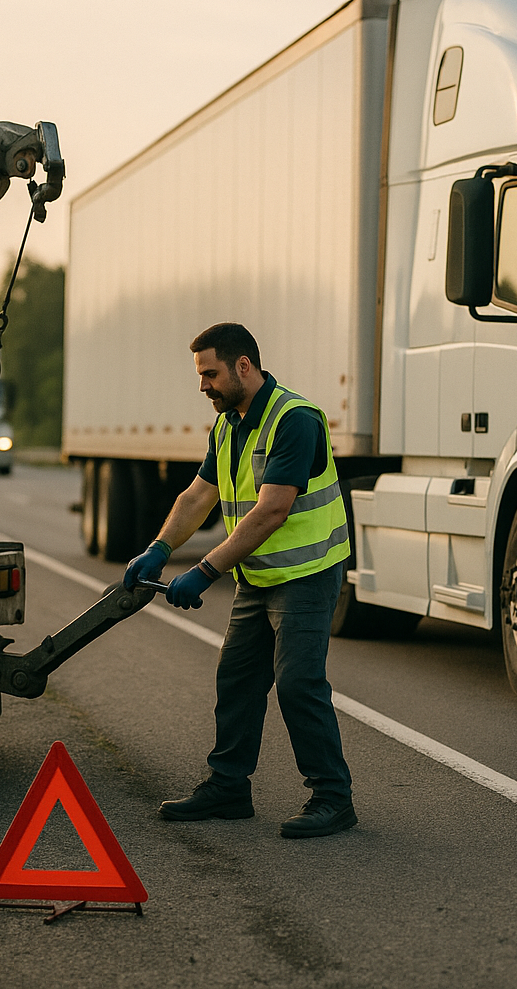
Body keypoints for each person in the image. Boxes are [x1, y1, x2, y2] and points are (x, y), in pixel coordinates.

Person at [123, 322, 356, 838]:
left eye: (209, 373)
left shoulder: (293, 420)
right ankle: (229, 787)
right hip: (259, 573)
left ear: (243, 367)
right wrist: (159, 549)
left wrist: (204, 571)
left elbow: (273, 510)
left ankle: (333, 798)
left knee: (298, 683)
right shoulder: (229, 423)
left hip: (307, 571)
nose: (202, 385)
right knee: (237, 677)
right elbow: (197, 497)